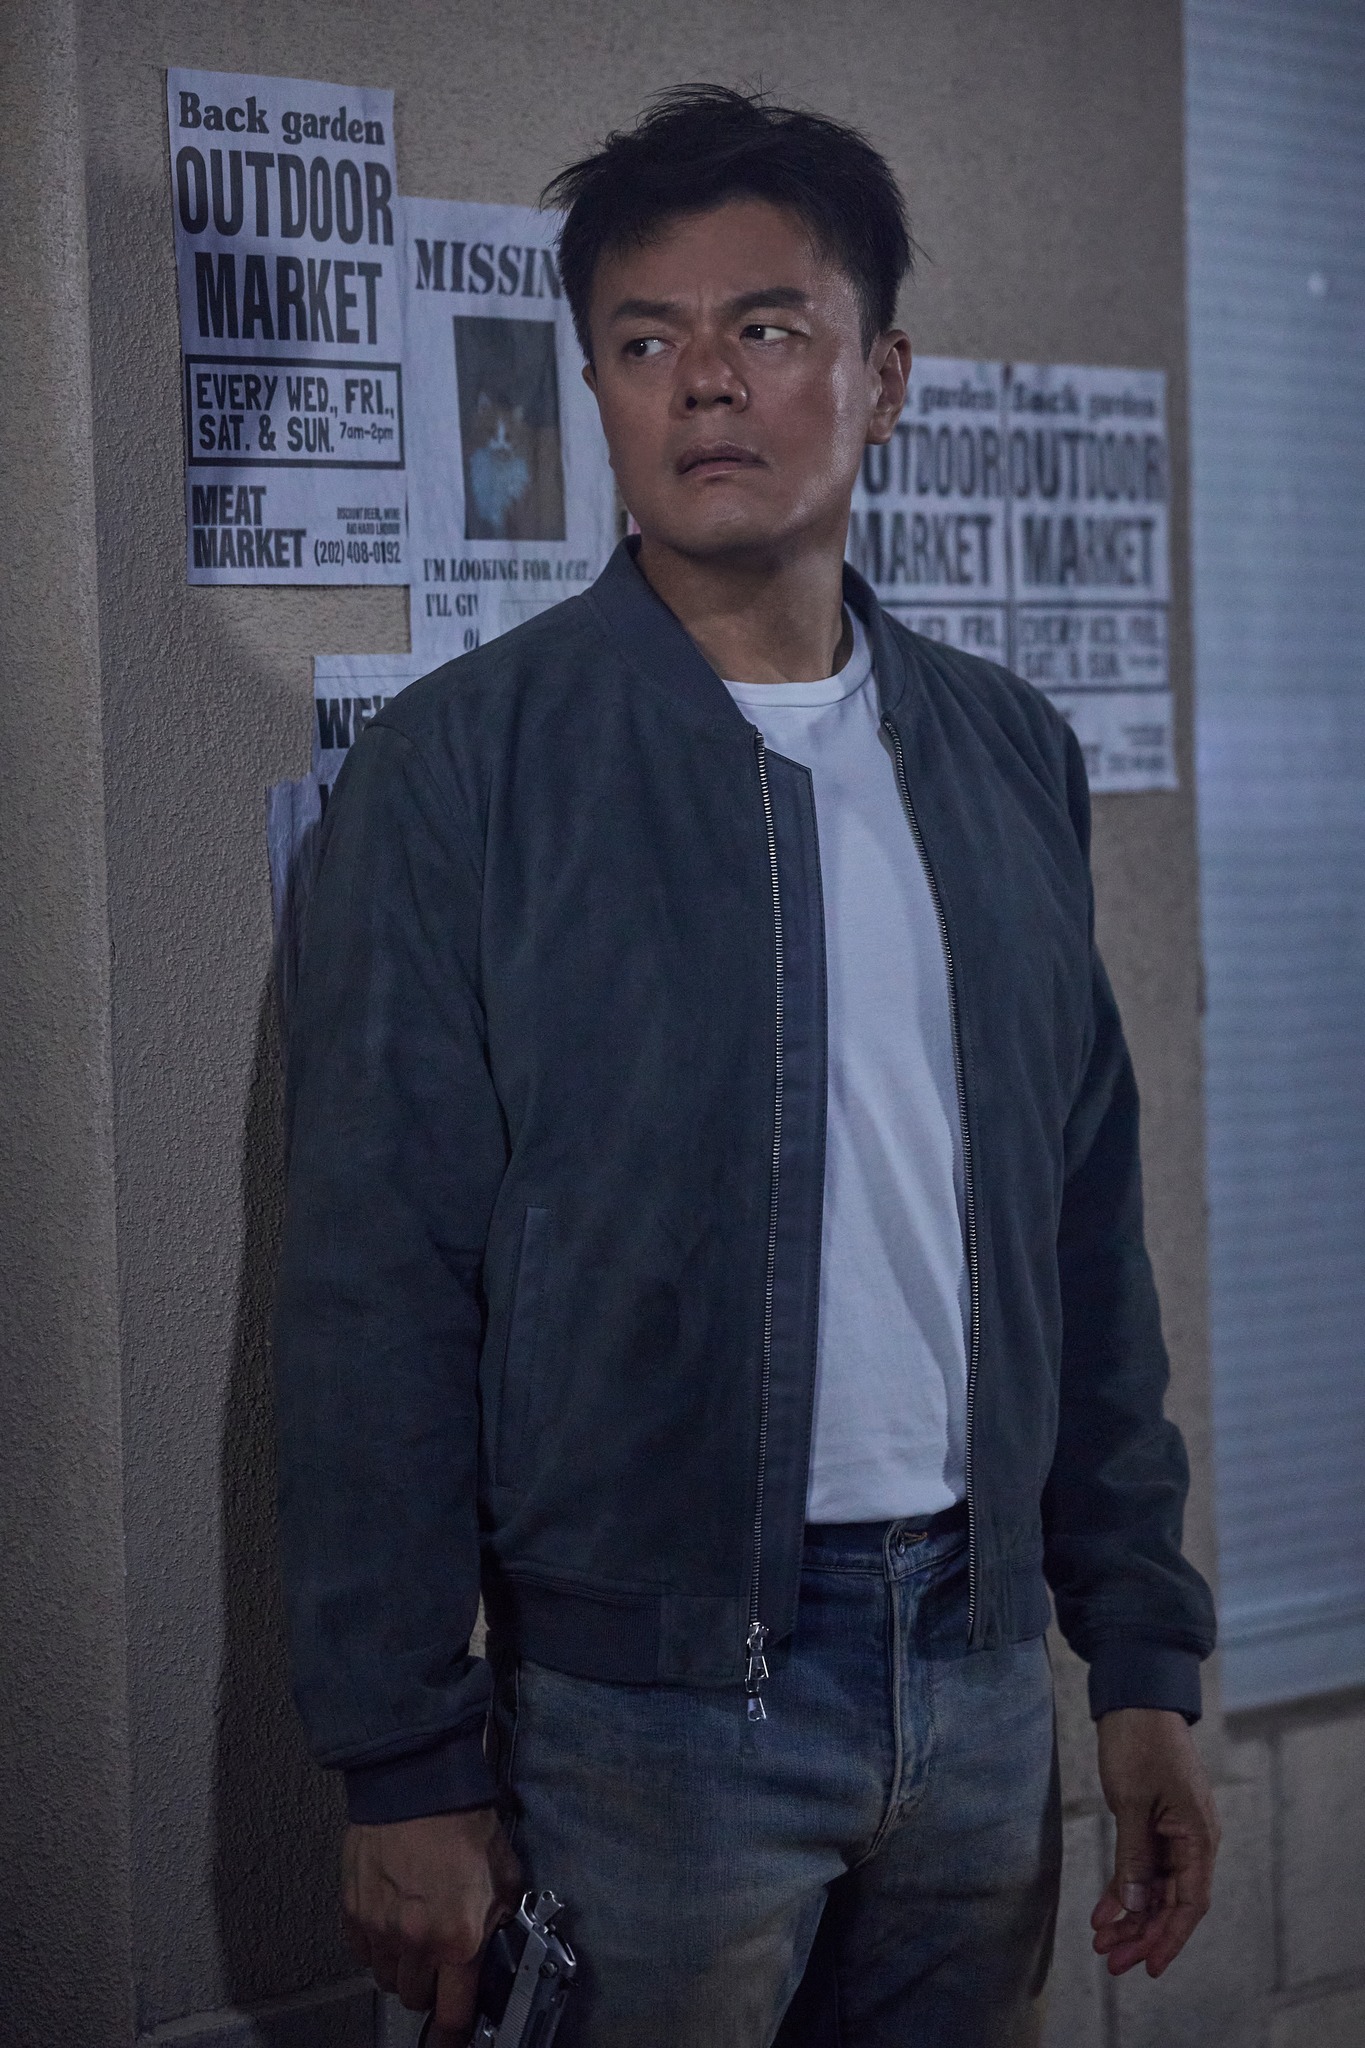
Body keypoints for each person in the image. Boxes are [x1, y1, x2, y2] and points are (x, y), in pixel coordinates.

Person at [274, 86, 1219, 2048]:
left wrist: (1137, 1660)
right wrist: (402, 1760)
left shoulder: (1003, 753)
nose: (703, 381)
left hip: (977, 1678)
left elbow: (1080, 1231)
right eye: (644, 341)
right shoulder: (463, 772)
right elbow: (373, 1282)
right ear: (595, 391)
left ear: (882, 379)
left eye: (766, 328)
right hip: (642, 1709)